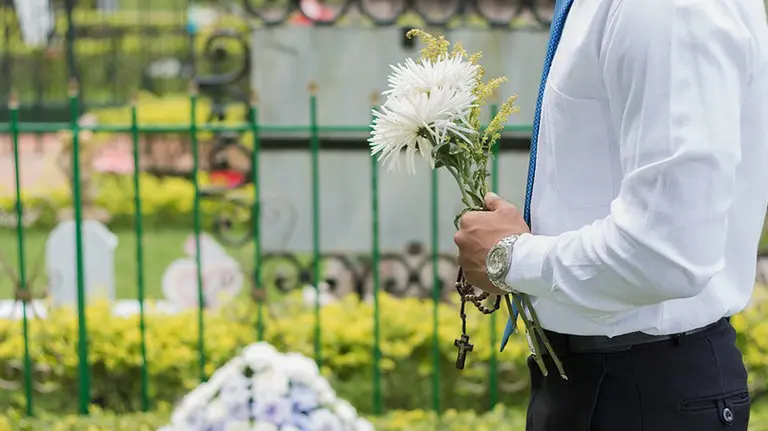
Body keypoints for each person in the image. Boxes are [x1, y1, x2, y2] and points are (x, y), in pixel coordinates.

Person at [453, 0, 768, 430]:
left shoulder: (666, 9)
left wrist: (509, 258)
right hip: (597, 381)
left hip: (642, 391)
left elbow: (666, 253)